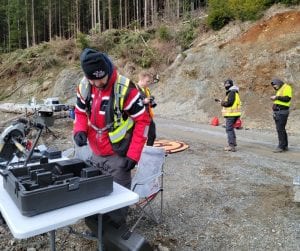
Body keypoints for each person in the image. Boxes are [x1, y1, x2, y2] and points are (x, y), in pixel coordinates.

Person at [73, 48, 150, 232]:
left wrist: (134, 154)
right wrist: (79, 130)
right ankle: (96, 225)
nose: (98, 83)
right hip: (96, 150)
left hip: (120, 152)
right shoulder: (84, 86)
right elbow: (80, 112)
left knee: (118, 197)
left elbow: (143, 121)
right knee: (95, 191)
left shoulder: (125, 89)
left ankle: (115, 232)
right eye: (94, 79)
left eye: (102, 78)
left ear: (107, 69)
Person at [216, 79, 241, 152]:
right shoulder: (234, 92)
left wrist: (222, 103)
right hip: (234, 114)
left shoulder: (232, 92)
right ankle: (233, 143)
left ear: (231, 85)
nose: (226, 86)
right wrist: (222, 101)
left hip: (232, 114)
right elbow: (230, 102)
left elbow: (229, 103)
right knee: (231, 128)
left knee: (229, 129)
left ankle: (231, 146)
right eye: (225, 85)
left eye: (227, 84)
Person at [270, 79, 292, 153]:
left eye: (275, 85)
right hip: (279, 112)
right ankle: (284, 146)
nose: (274, 87)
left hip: (282, 112)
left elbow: (287, 98)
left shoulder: (287, 87)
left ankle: (281, 147)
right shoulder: (280, 89)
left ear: (278, 83)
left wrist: (276, 97)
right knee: (281, 129)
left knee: (280, 130)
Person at [136, 71, 157, 146]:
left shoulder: (146, 89)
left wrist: (151, 102)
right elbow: (131, 104)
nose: (148, 83)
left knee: (152, 135)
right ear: (141, 79)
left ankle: (148, 151)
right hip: (140, 118)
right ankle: (138, 153)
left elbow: (149, 102)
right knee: (141, 137)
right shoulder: (134, 89)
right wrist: (143, 101)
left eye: (149, 82)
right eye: (147, 81)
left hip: (148, 116)